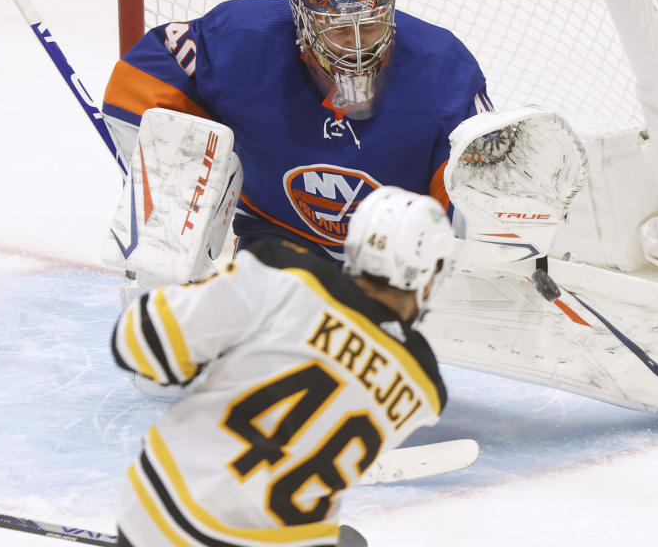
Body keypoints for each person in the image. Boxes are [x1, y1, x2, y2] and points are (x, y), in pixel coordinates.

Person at [102, 0, 492, 264]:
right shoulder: (244, 40)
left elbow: (476, 188)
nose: (358, 49)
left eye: (370, 27)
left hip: (394, 264)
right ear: (302, 25)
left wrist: (471, 252)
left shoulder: (443, 70)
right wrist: (170, 178)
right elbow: (146, 74)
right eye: (339, 32)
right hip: (275, 237)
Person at [111, 186, 456, 547]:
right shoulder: (425, 389)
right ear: (428, 275)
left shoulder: (283, 275)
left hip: (156, 520)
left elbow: (138, 343)